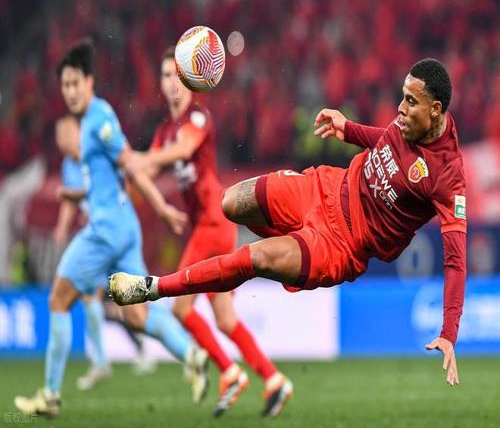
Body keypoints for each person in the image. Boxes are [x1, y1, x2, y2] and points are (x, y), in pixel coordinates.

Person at [111, 58, 466, 389]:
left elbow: (455, 261)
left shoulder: (448, 178)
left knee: (256, 257)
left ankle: (153, 288)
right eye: (402, 97)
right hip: (325, 188)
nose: (400, 108)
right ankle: (292, 241)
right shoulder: (410, 122)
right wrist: (348, 129)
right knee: (231, 202)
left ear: (435, 109)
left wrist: (449, 332)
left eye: (410, 102)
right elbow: (387, 142)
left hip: (341, 245)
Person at [14, 39, 208, 418]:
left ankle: (50, 395)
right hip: (123, 226)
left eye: (75, 83)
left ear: (89, 81)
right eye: (65, 85)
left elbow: (129, 165)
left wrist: (161, 207)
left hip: (105, 230)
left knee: (58, 300)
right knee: (136, 314)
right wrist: (78, 194)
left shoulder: (98, 119)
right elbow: (110, 178)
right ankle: (191, 354)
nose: (70, 91)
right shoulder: (91, 121)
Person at [123, 47, 293, 418]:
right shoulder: (164, 131)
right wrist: (145, 192)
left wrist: (140, 159)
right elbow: (145, 172)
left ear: (190, 80)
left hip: (214, 223)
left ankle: (230, 371)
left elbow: (177, 152)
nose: (172, 83)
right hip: (206, 226)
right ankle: (274, 379)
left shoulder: (198, 119)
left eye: (177, 75)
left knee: (180, 307)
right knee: (225, 319)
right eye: (166, 75)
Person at [52, 115, 157, 391]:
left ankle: (172, 342)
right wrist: (62, 226)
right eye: (58, 136)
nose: (60, 141)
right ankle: (105, 359)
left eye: (64, 134)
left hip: (114, 233)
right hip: (96, 237)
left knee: (127, 298)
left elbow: (112, 183)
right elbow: (72, 201)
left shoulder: (95, 151)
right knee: (95, 297)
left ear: (76, 133)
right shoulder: (68, 164)